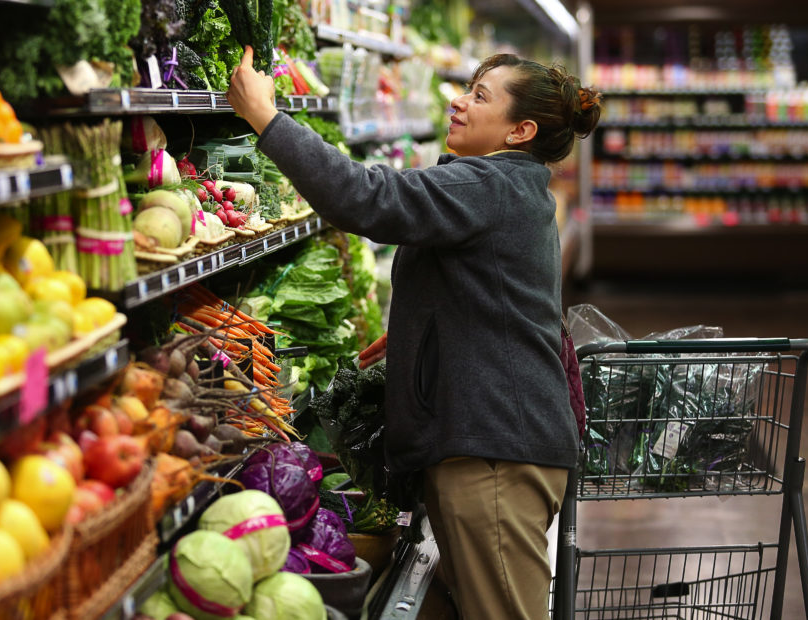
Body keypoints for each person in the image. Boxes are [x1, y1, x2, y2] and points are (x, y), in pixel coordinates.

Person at [228, 46, 601, 619]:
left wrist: (269, 121)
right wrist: (416, 333)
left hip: (495, 450)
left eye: (481, 97)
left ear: (520, 130)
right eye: (468, 88)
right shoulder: (507, 187)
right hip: (492, 440)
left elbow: (369, 200)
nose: (458, 101)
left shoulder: (491, 186)